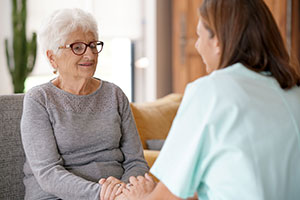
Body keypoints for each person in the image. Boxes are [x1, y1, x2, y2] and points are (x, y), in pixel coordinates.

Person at [122, 0, 300, 199]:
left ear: (217, 40)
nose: (197, 46)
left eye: (199, 35)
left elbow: (165, 198)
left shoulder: (211, 91)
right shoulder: (293, 91)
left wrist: (142, 195)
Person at [20, 8, 149, 200]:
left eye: (93, 45)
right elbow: (48, 173)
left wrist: (124, 190)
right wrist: (104, 195)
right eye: (77, 47)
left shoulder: (114, 95)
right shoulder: (39, 99)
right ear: (52, 57)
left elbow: (136, 162)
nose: (90, 55)